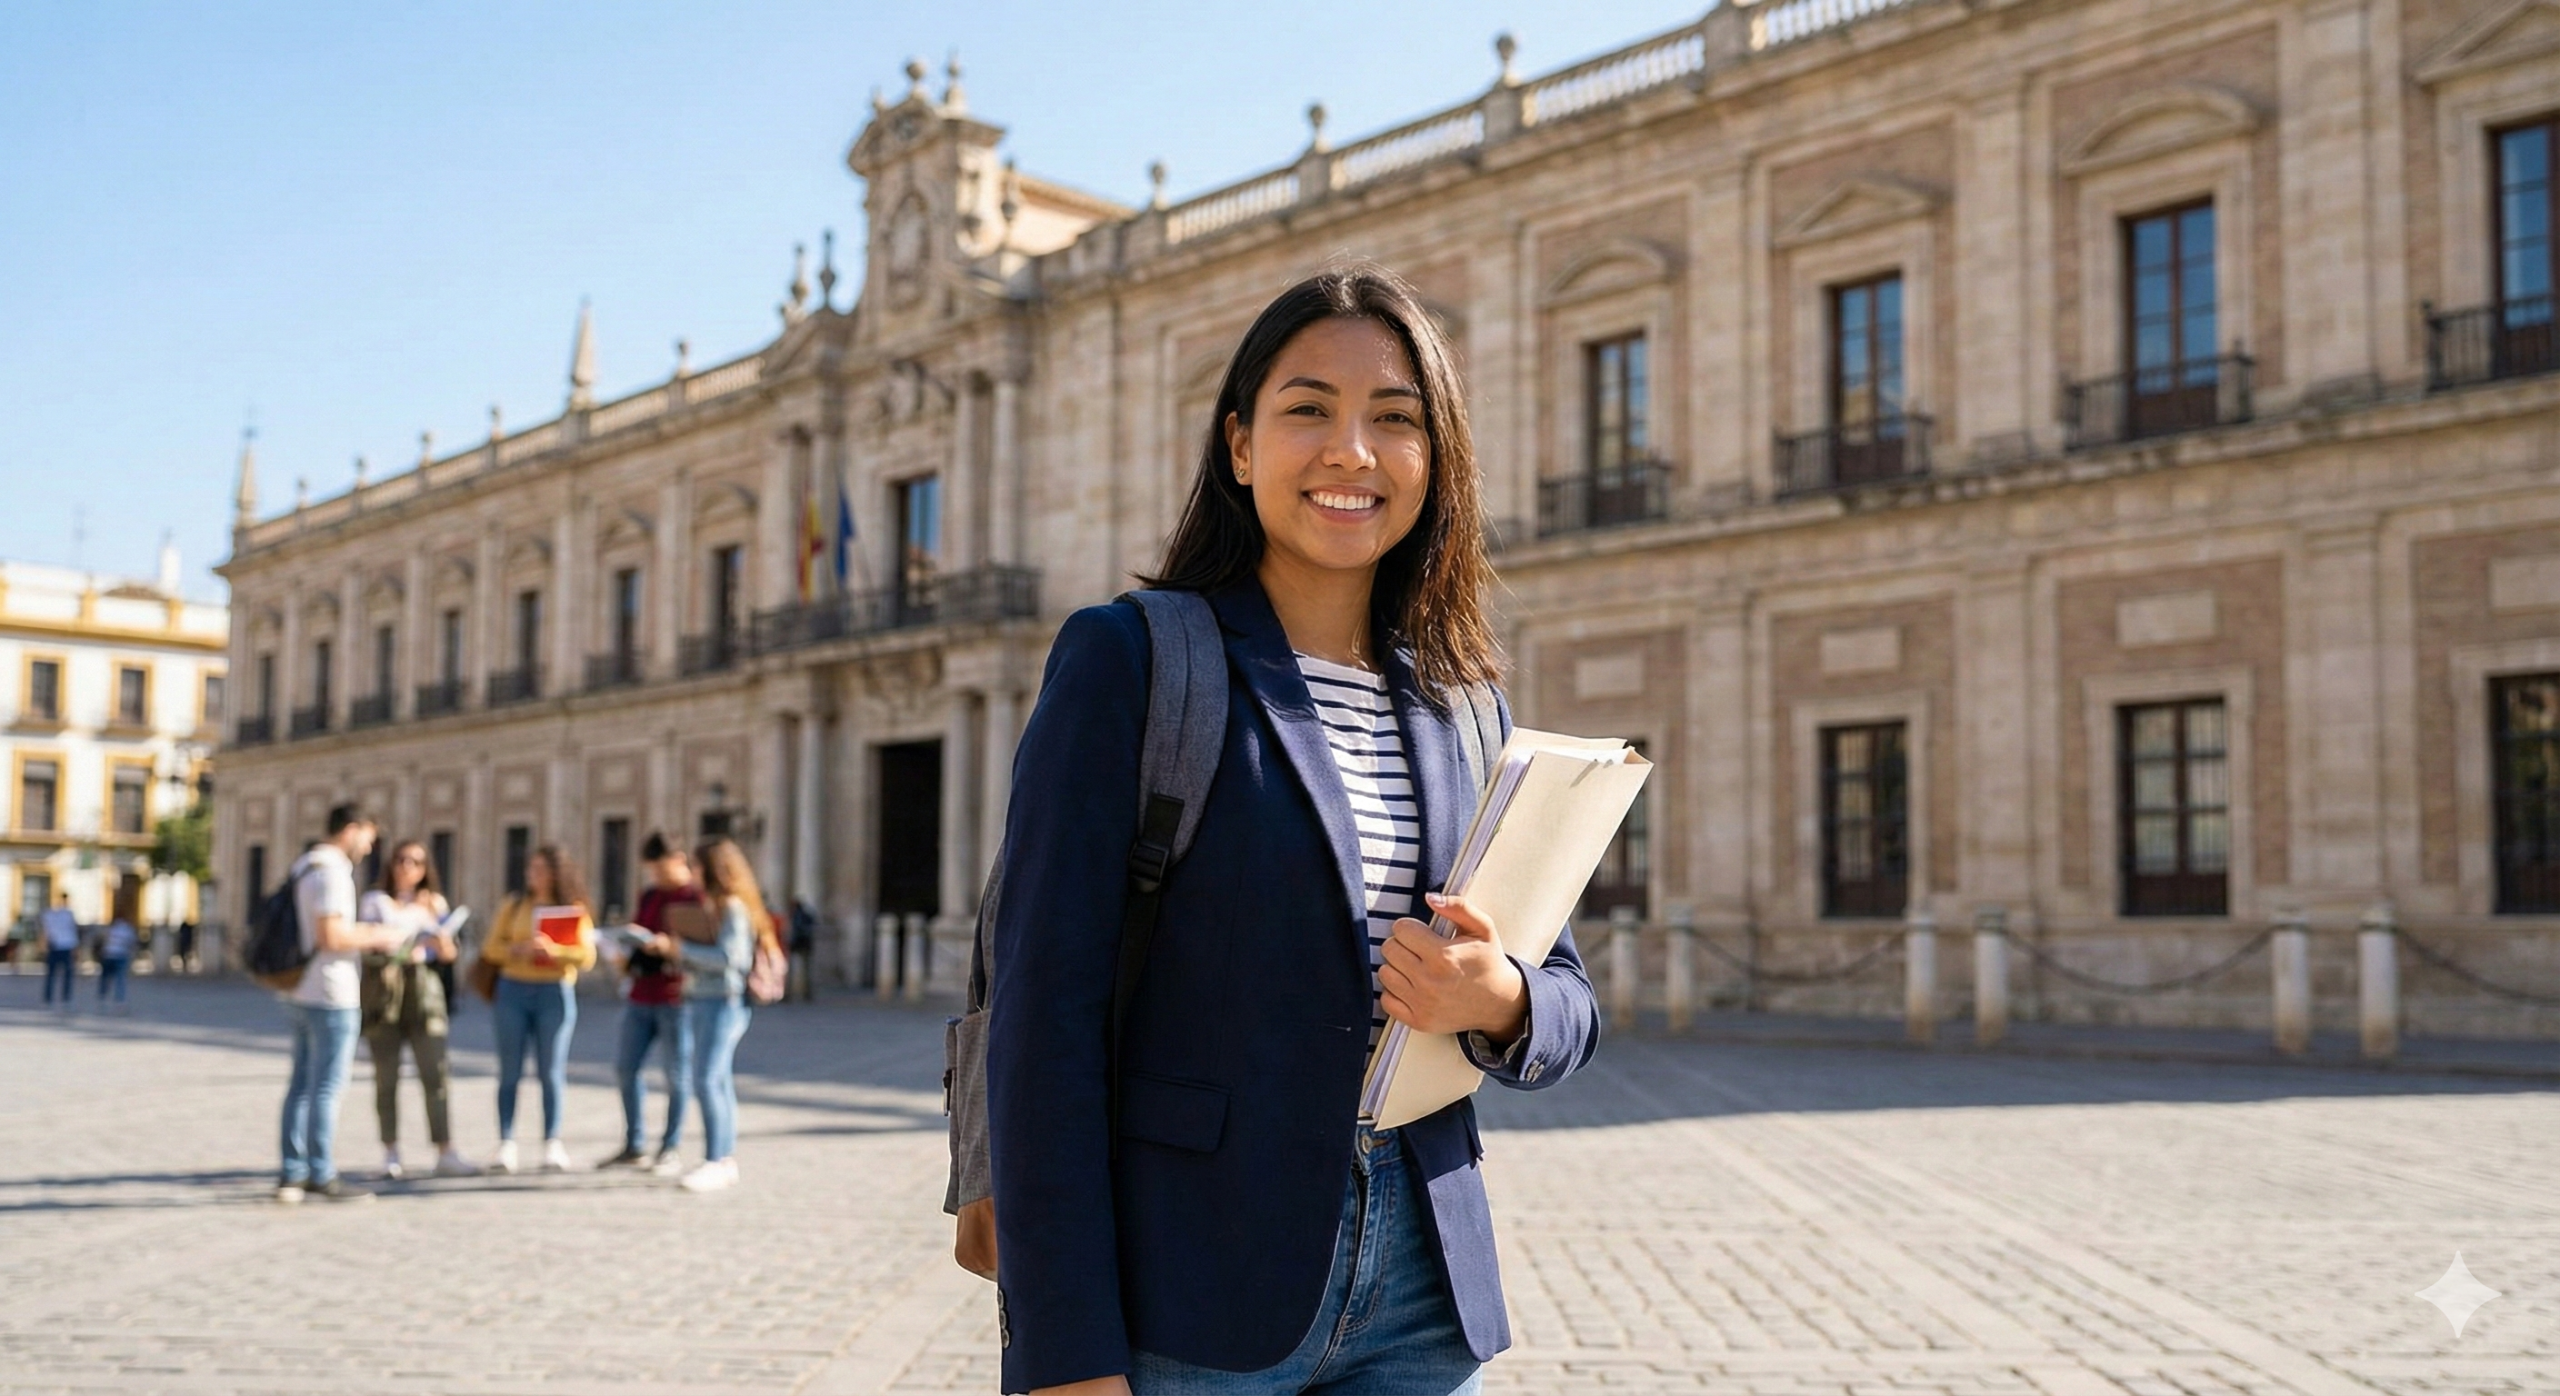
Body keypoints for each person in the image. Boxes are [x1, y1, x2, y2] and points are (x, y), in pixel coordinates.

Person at [986, 266, 1601, 1396]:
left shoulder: (1467, 706)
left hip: (1422, 1293)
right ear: (1239, 445)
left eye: (1395, 418)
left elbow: (1568, 1000)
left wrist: (1499, 998)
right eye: (1308, 409)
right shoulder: (1130, 661)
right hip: (1191, 1290)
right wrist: (1065, 1356)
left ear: (1437, 458)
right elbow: (1040, 1027)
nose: (1350, 452)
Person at [278, 804, 410, 1203]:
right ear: (352, 829)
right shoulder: (333, 871)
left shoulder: (304, 865)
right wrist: (378, 935)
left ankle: (293, 1170)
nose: (369, 848)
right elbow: (331, 936)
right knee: (326, 1086)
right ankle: (320, 1172)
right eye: (368, 837)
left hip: (301, 988)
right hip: (332, 992)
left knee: (301, 1084)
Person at [646, 837, 772, 1193]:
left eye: (697, 866)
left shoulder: (731, 906)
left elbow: (731, 958)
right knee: (718, 1080)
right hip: (703, 998)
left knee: (705, 1079)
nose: (693, 873)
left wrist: (681, 948)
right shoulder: (712, 906)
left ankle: (716, 1159)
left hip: (722, 1000)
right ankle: (724, 1158)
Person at [358, 839, 480, 1180]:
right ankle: (390, 1151)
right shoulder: (375, 901)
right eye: (401, 860)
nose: (406, 867)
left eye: (415, 861)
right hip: (386, 993)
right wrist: (399, 943)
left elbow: (449, 954)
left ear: (425, 869)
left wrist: (438, 944)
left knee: (435, 1072)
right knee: (386, 1075)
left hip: (424, 992)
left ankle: (444, 1149)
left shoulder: (433, 903)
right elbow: (367, 943)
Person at [480, 843, 596, 1174]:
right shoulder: (515, 905)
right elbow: (491, 947)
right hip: (513, 990)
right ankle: (506, 1142)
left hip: (553, 992)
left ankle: (552, 1142)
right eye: (531, 869)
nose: (533, 875)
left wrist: (553, 950)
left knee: (551, 1070)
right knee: (510, 1070)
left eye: (540, 870)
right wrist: (517, 949)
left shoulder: (573, 910)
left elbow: (586, 956)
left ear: (556, 874)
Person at [597, 832, 695, 1175]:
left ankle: (670, 1146)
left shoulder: (694, 897)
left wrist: (670, 946)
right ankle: (634, 1144)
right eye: (652, 870)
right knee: (626, 1068)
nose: (657, 876)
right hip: (641, 993)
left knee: (676, 1074)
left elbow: (701, 945)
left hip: (676, 996)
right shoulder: (651, 895)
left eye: (661, 868)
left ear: (679, 860)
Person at [40, 895, 80, 1007]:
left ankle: (52, 997)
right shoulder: (65, 914)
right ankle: (62, 997)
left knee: (54, 974)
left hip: (60, 945)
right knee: (61, 974)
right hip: (61, 945)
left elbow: (46, 931)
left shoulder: (51, 914)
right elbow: (72, 931)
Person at [96, 915, 136, 1012]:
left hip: (109, 954)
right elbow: (132, 943)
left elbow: (102, 940)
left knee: (105, 978)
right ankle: (119, 1001)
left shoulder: (110, 929)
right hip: (121, 955)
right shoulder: (128, 930)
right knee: (120, 979)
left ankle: (102, 997)